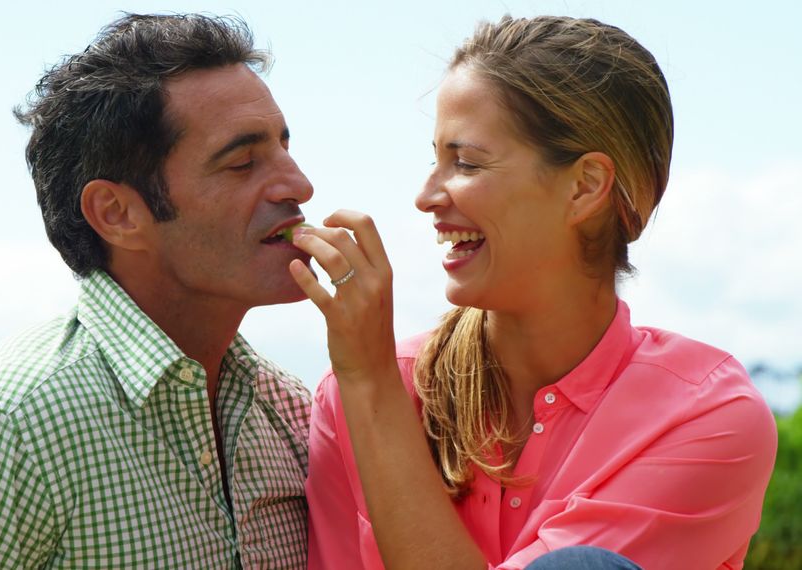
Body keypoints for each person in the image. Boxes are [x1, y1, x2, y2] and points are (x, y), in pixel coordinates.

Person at [293, 15, 777, 570]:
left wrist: (370, 384)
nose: (426, 196)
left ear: (585, 186)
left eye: (466, 162)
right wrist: (368, 384)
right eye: (435, 159)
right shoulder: (358, 391)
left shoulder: (707, 417)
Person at [0, 13, 316, 569]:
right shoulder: (2, 426)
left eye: (284, 147)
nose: (299, 185)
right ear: (117, 214)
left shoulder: (292, 410)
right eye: (242, 162)